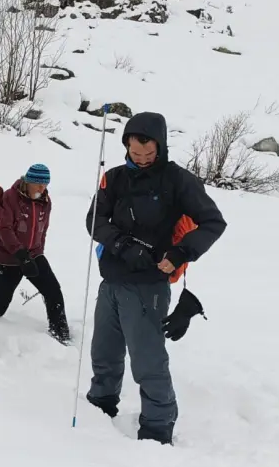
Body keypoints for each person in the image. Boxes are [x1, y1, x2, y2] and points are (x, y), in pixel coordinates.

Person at [85, 111, 227, 445]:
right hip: (112, 281)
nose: (143, 159)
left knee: (147, 360)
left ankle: (158, 424)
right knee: (103, 353)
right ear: (127, 145)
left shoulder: (177, 180)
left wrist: (180, 253)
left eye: (150, 153)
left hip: (149, 286)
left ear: (160, 147)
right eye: (136, 152)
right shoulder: (114, 178)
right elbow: (95, 219)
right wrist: (122, 245)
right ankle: (101, 406)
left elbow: (213, 222)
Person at [0, 164, 71, 344]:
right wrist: (21, 255)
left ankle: (60, 333)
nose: (42, 188)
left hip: (34, 254)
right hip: (8, 257)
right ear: (28, 181)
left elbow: (43, 230)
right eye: (38, 184)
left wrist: (38, 252)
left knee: (53, 291)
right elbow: (4, 229)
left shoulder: (46, 201)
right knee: (2, 299)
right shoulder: (10, 197)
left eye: (45, 184)